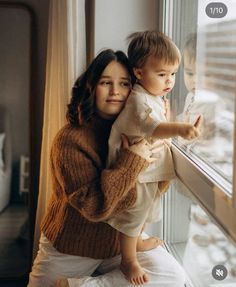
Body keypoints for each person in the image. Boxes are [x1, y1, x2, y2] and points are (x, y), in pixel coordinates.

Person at [28, 49, 186, 287]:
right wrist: (130, 161)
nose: (116, 92)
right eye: (105, 83)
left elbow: (156, 188)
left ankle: (79, 285)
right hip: (74, 245)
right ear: (91, 87)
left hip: (120, 243)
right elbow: (96, 208)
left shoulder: (136, 128)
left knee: (173, 275)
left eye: (124, 83)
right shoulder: (70, 140)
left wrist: (161, 135)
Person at [106, 31, 202, 285]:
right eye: (162, 74)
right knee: (133, 215)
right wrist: (180, 128)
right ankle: (128, 260)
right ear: (139, 73)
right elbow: (153, 128)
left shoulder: (153, 96)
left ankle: (137, 241)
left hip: (146, 170)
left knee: (145, 211)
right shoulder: (138, 100)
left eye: (173, 74)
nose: (170, 80)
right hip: (133, 172)